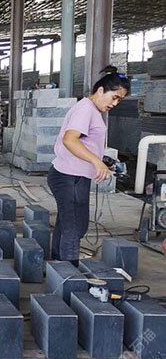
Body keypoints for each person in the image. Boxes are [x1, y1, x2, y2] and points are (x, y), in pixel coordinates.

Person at [47, 66, 130, 264]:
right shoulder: (86, 109)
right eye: (114, 97)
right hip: (68, 178)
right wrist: (96, 161)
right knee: (74, 227)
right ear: (101, 90)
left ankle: (58, 268)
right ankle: (68, 275)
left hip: (73, 177)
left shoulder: (91, 110)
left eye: (119, 100)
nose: (115, 103)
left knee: (68, 224)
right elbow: (70, 140)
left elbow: (86, 143)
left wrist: (103, 161)